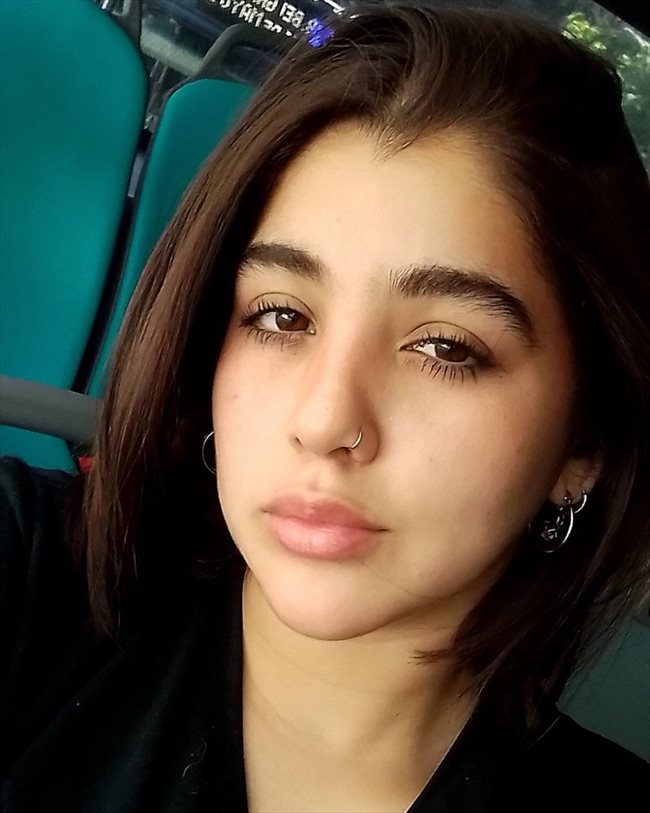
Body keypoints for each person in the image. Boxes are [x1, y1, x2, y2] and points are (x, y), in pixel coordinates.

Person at [1, 4, 649, 812]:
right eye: (281, 316)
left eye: (447, 347)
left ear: (585, 440)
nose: (324, 420)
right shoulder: (30, 575)